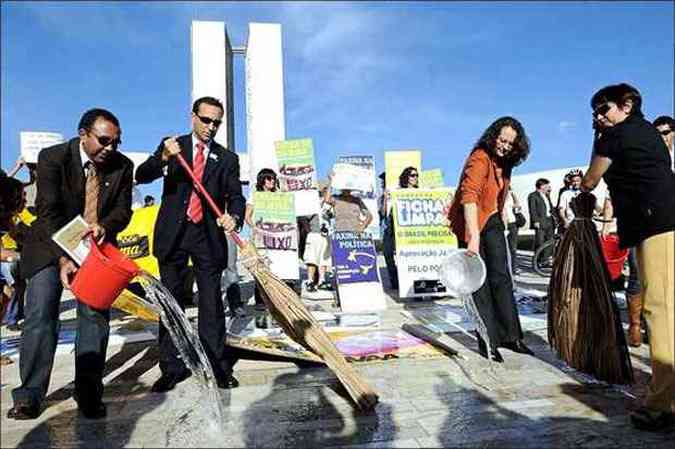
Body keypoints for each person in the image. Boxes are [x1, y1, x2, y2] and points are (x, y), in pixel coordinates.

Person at [8, 108, 133, 420]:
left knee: (94, 318)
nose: (110, 148)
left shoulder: (122, 166)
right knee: (40, 313)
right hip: (50, 246)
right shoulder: (53, 157)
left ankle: (89, 392)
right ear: (83, 134)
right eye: (104, 140)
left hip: (96, 250)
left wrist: (105, 225)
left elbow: (123, 211)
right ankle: (30, 395)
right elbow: (49, 211)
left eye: (115, 142)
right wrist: (65, 255)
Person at [581, 83, 675, 432]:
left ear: (627, 104)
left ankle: (662, 404)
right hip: (661, 223)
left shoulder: (618, 135)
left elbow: (590, 180)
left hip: (657, 226)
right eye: (594, 112)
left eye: (603, 109)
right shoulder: (647, 133)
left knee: (660, 310)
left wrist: (597, 138)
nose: (598, 117)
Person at [135, 96, 245, 393]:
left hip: (207, 237)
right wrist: (164, 158)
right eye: (206, 120)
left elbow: (236, 196)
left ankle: (217, 366)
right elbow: (142, 175)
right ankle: (172, 368)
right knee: (172, 303)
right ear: (192, 116)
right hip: (174, 234)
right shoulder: (173, 145)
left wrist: (234, 216)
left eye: (216, 122)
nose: (211, 127)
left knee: (211, 304)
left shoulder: (227, 159)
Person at [446, 116, 533, 362]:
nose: (504, 145)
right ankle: (488, 341)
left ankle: (511, 336)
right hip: (471, 221)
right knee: (479, 283)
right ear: (493, 135)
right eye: (501, 139)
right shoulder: (480, 157)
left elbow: (497, 192)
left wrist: (501, 211)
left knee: (501, 277)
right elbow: (469, 195)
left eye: (509, 143)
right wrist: (473, 237)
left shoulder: (506, 163)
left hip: (491, 218)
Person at [245, 168, 283, 310]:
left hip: (277, 236)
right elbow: (247, 216)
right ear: (262, 180)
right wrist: (255, 228)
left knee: (277, 267)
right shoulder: (255, 196)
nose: (271, 181)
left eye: (273, 178)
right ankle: (260, 299)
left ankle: (276, 299)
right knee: (261, 267)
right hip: (261, 237)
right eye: (268, 179)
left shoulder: (279, 195)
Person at [380, 167, 419, 290]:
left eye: (417, 175)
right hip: (392, 228)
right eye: (413, 175)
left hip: (411, 232)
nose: (415, 178)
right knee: (387, 253)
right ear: (406, 177)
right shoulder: (395, 192)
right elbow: (383, 212)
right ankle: (395, 281)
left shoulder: (420, 192)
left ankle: (411, 283)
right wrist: (386, 198)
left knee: (408, 257)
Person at [303, 182, 333, 292]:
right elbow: (304, 217)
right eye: (323, 188)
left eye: (326, 189)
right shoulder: (310, 203)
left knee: (324, 259)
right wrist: (308, 230)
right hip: (314, 233)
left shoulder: (329, 204)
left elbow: (331, 214)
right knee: (311, 258)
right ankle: (310, 281)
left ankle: (322, 280)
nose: (324, 191)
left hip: (325, 234)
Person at [527, 178, 555, 264]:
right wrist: (535, 221)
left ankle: (545, 260)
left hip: (549, 220)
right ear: (542, 185)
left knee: (549, 241)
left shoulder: (546, 195)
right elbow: (532, 209)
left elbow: (550, 207)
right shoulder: (533, 195)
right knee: (540, 241)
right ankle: (537, 260)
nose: (548, 187)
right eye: (547, 185)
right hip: (540, 221)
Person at [503, 187, 524, 276]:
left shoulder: (511, 194)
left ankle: (513, 267)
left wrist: (513, 194)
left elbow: (517, 205)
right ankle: (506, 267)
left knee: (513, 247)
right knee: (505, 247)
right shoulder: (500, 196)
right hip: (505, 224)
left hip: (513, 223)